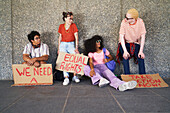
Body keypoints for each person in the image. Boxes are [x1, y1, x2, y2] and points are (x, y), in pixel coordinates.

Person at [116, 8, 146, 74]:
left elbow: (143, 37)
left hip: (135, 43)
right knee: (125, 56)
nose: (126, 19)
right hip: (125, 43)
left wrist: (141, 51)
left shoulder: (140, 22)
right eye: (125, 17)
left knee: (141, 56)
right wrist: (125, 51)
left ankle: (143, 76)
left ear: (134, 19)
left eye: (128, 18)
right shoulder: (124, 22)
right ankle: (127, 76)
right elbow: (121, 37)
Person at [58, 12, 80, 85]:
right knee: (64, 60)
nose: (71, 20)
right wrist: (59, 48)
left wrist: (76, 48)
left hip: (71, 43)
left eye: (72, 19)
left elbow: (76, 37)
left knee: (74, 58)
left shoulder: (73, 25)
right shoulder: (61, 26)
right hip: (63, 44)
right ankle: (66, 77)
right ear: (65, 19)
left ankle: (75, 76)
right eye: (70, 19)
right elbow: (60, 37)